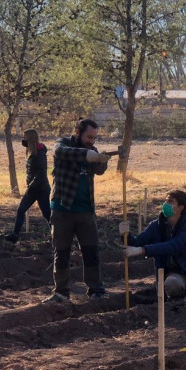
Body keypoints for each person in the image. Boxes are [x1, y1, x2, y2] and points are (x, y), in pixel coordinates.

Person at [45, 118, 118, 303]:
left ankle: (96, 289)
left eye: (94, 138)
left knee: (91, 250)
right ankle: (61, 291)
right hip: (63, 208)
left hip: (86, 209)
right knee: (61, 251)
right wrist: (87, 155)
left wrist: (102, 160)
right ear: (78, 132)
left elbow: (99, 170)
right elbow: (61, 152)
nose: (91, 141)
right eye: (89, 137)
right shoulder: (63, 144)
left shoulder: (92, 150)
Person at [120, 189, 186, 298]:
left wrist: (142, 250)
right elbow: (137, 242)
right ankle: (179, 302)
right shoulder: (156, 226)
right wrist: (126, 235)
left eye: (170, 202)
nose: (165, 204)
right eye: (166, 201)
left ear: (180, 207)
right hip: (172, 273)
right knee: (172, 286)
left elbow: (173, 246)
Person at [3, 129, 50, 245]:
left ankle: (59, 236)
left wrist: (31, 186)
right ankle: (14, 236)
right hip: (33, 189)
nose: (23, 140)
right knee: (21, 210)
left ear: (30, 139)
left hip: (41, 189)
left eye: (25, 138)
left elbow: (41, 173)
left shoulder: (39, 153)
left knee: (47, 214)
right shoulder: (32, 152)